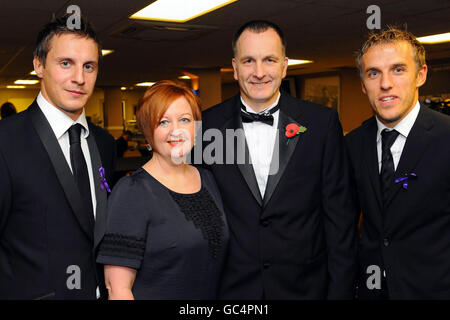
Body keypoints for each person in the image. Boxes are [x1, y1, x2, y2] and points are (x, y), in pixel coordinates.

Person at [198, 20, 358, 299]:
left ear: (284, 66)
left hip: (306, 288)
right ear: (235, 68)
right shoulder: (207, 127)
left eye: (269, 60)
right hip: (232, 291)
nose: (259, 72)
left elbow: (340, 220)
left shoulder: (321, 124)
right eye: (249, 61)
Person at [0, 14, 116, 299]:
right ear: (38, 65)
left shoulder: (105, 143)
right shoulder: (6, 141)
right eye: (66, 63)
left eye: (89, 66)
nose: (79, 78)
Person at [97, 80, 229, 300]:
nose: (176, 130)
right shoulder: (132, 192)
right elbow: (118, 289)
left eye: (185, 120)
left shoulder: (207, 178)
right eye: (163, 122)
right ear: (148, 132)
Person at [346, 27, 450, 299]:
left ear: (421, 75)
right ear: (362, 83)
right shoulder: (352, 145)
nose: (385, 84)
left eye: (398, 70)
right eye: (373, 73)